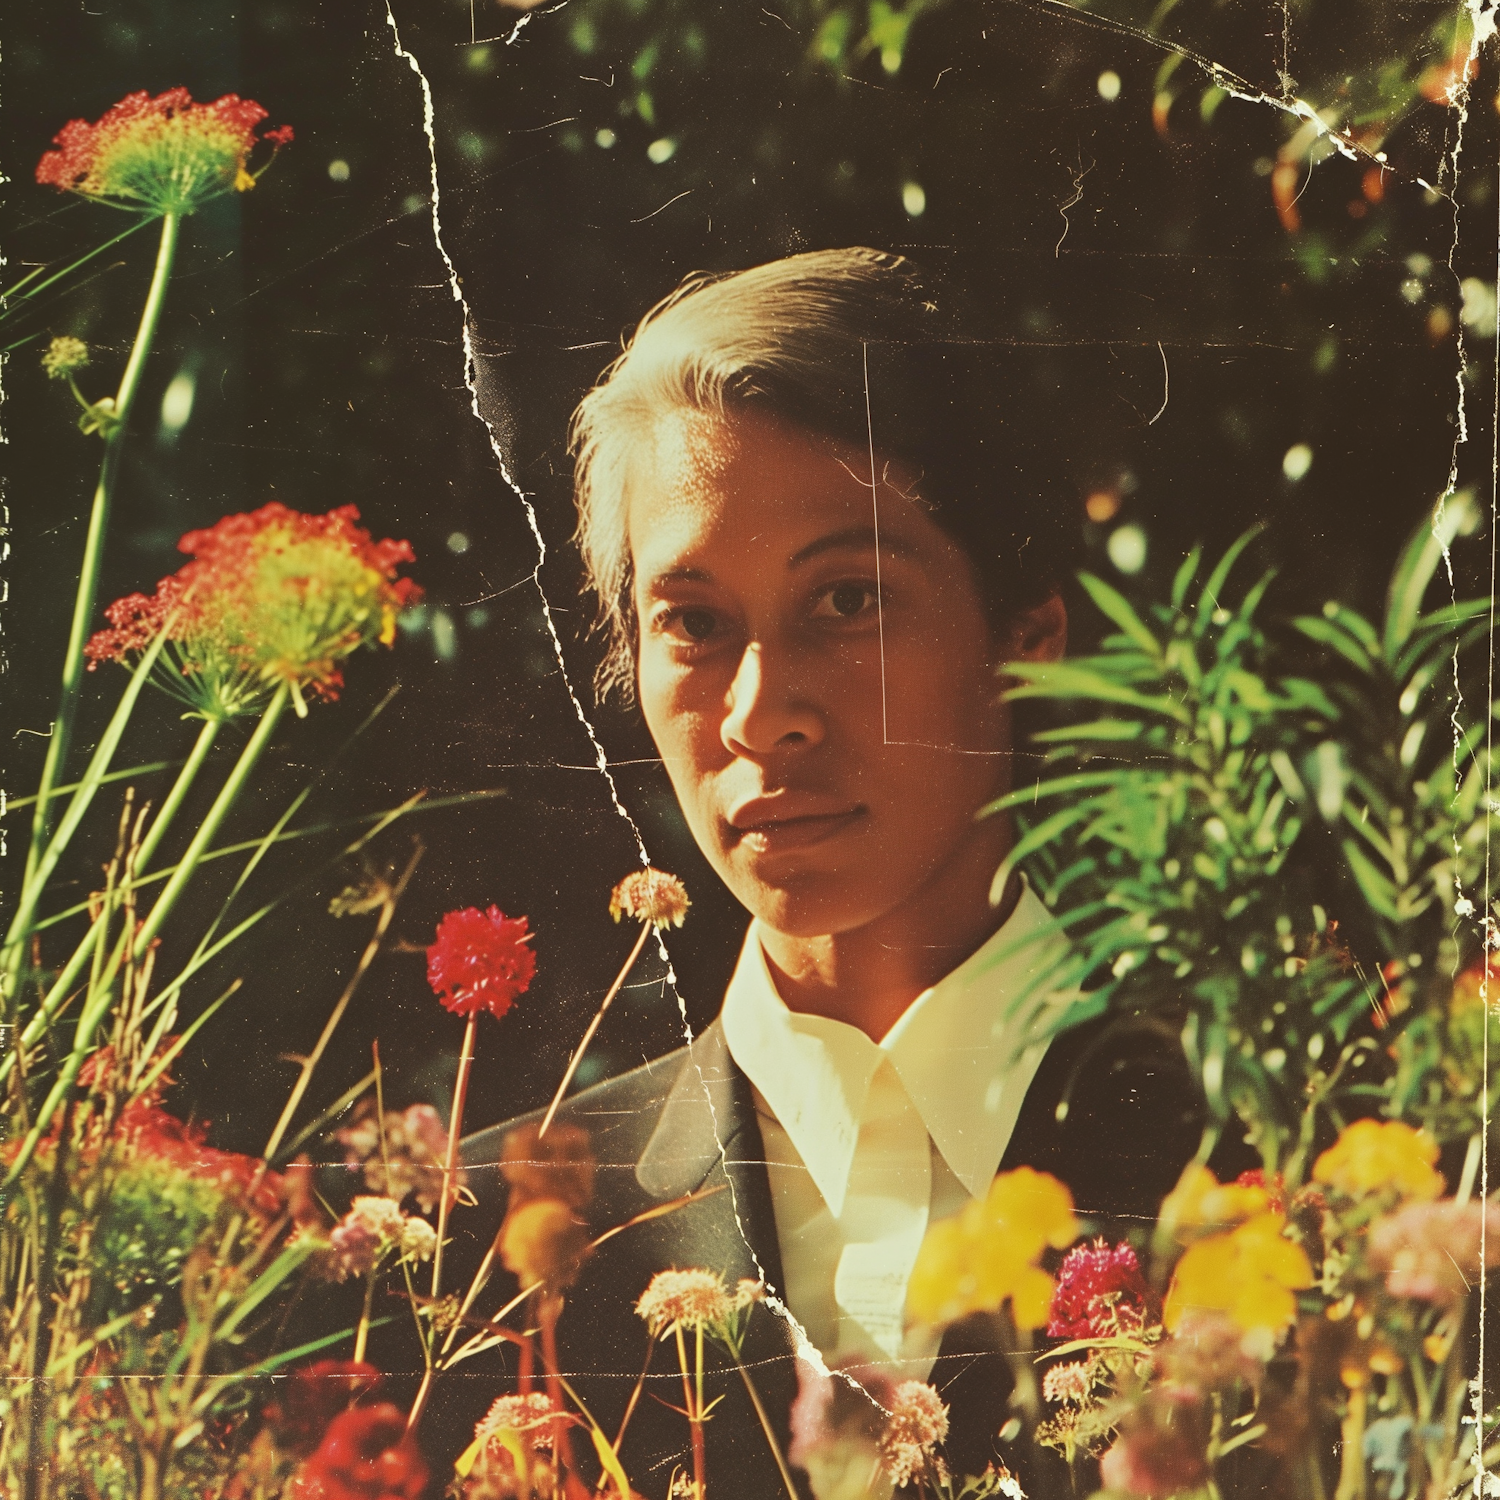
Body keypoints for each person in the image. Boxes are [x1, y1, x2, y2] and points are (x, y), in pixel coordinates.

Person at [460, 248, 1203, 1498]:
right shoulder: (484, 1249)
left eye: (849, 599)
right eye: (691, 622)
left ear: (1025, 640)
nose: (761, 714)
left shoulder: (1277, 1163)